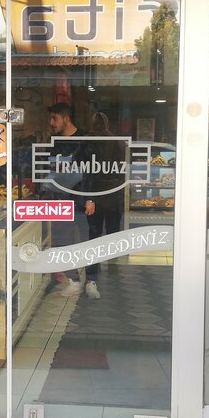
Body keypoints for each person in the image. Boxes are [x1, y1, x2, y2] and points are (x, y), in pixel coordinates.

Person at [46, 103, 89, 296]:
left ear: (66, 118)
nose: (51, 123)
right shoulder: (53, 142)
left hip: (81, 199)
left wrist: (90, 198)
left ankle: (91, 280)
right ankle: (74, 280)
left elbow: (92, 171)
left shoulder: (84, 140)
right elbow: (51, 170)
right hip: (60, 198)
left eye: (54, 118)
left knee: (86, 240)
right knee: (62, 239)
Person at [81, 112, 124, 300]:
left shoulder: (89, 141)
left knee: (94, 236)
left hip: (97, 195)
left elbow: (82, 168)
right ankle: (111, 272)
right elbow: (123, 170)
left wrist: (89, 197)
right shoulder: (116, 142)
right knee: (113, 235)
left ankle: (92, 277)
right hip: (113, 195)